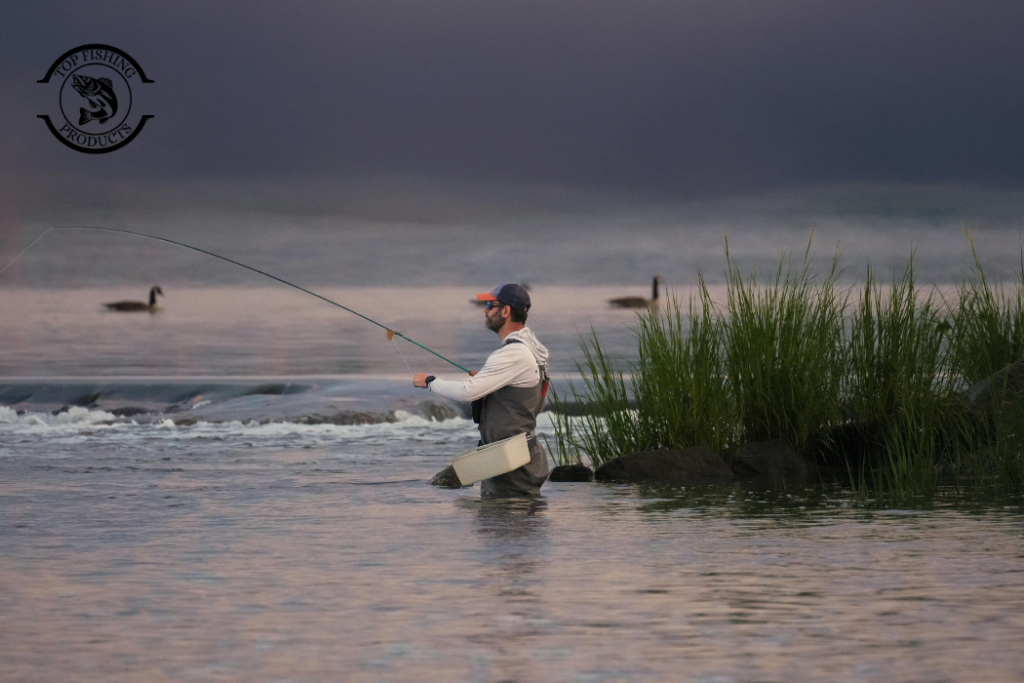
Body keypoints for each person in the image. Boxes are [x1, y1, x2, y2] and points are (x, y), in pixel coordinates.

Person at [413, 283, 550, 496]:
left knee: (503, 525)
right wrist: (494, 385)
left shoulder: (512, 354)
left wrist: (430, 381)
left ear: (505, 311)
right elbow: (534, 401)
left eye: (490, 305)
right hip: (515, 458)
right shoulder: (532, 351)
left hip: (511, 467)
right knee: (514, 525)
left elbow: (468, 392)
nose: (485, 310)